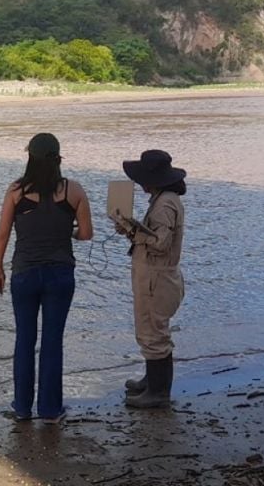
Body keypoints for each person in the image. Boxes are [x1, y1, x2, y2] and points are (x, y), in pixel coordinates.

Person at [0, 133, 93, 421]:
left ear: (30, 158)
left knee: (24, 339)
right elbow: (86, 234)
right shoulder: (73, 191)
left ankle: (22, 408)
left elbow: (2, 235)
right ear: (58, 158)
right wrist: (67, 231)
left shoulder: (16, 191)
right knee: (52, 341)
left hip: (24, 273)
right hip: (60, 275)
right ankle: (50, 409)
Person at [117, 150, 187, 409]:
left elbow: (160, 243)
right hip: (157, 276)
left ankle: (158, 392)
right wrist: (132, 230)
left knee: (153, 331)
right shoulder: (165, 199)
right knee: (150, 330)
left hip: (156, 279)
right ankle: (153, 381)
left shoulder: (165, 204)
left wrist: (133, 231)